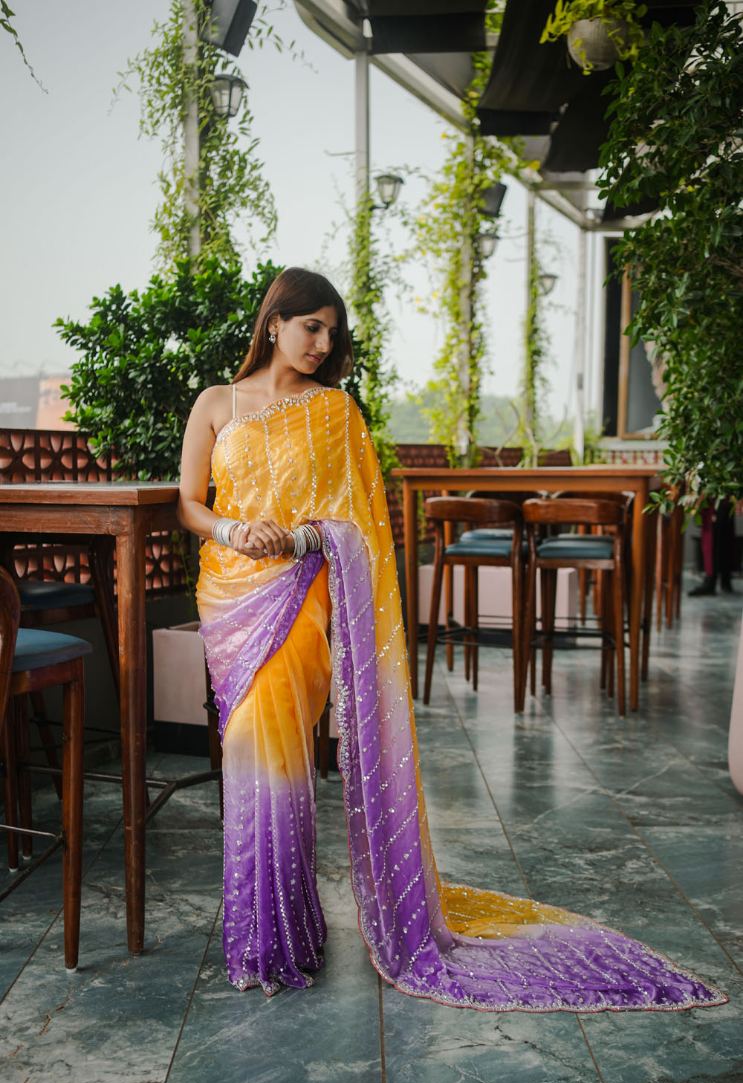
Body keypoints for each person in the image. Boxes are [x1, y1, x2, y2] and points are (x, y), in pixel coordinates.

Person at [178, 266, 727, 1013]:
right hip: (231, 596)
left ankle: (279, 937)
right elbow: (190, 503)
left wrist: (305, 538)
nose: (322, 344)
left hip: (300, 596)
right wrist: (234, 530)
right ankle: (272, 932)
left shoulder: (336, 411)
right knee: (247, 754)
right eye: (311, 327)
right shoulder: (216, 402)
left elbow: (359, 524)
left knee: (276, 754)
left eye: (332, 333)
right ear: (274, 322)